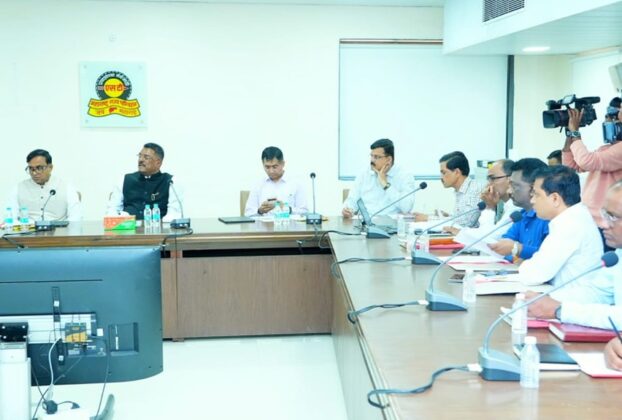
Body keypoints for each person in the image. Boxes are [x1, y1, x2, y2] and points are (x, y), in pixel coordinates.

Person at [526, 180, 622, 330]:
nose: (604, 224)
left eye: (613, 217)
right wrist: (545, 300)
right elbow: (597, 292)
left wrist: (560, 310)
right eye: (605, 214)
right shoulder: (619, 254)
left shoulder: (572, 223)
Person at [517, 165, 602, 287]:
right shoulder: (573, 218)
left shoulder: (570, 225)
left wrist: (524, 266)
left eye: (536, 194)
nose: (532, 200)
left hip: (572, 297)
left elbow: (535, 274)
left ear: (555, 199)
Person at [562, 100, 622, 227]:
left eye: (610, 117)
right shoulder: (605, 149)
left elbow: (586, 161)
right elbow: (571, 167)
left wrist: (575, 132)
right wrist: (570, 133)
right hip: (591, 220)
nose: (606, 121)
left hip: (607, 223)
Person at [488, 158, 549, 261]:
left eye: (515, 186)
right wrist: (515, 255)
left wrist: (518, 250)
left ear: (534, 187)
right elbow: (504, 246)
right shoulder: (521, 215)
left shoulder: (549, 218)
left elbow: (550, 256)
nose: (509, 191)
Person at [106, 143, 183, 221]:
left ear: (158, 162)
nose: (141, 160)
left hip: (158, 227)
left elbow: (174, 214)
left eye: (146, 157)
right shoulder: (124, 179)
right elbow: (113, 210)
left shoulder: (170, 182)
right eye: (140, 156)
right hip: (128, 227)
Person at [342, 138, 415, 217]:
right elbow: (351, 201)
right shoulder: (364, 174)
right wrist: (347, 209)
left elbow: (406, 208)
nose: (372, 160)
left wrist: (386, 185)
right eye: (371, 156)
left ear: (389, 159)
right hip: (367, 222)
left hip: (392, 223)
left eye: (376, 157)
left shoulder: (404, 176)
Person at [446, 159, 517, 237]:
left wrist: (489, 207)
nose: (488, 184)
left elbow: (489, 237)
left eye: (493, 178)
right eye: (488, 179)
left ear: (510, 179)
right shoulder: (505, 204)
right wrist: (462, 232)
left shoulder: (516, 207)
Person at [5, 149, 82, 221]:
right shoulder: (18, 189)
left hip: (59, 229)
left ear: (50, 167)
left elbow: (75, 218)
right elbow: (10, 218)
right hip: (28, 229)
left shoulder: (66, 188)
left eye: (39, 168)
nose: (34, 173)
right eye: (31, 168)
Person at [413, 151, 483, 228]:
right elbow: (460, 219)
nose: (441, 177)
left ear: (457, 172)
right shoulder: (461, 191)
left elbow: (464, 224)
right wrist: (447, 216)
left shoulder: (474, 190)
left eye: (444, 173)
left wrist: (428, 219)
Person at [244, 146, 308, 216]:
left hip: (288, 223)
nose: (271, 171)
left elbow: (304, 212)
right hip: (263, 223)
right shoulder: (258, 185)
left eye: (275, 167)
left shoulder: (295, 184)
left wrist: (287, 209)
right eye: (267, 167)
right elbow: (248, 213)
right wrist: (260, 211)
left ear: (283, 164)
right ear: (263, 164)